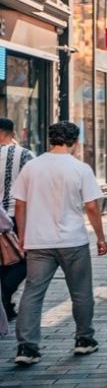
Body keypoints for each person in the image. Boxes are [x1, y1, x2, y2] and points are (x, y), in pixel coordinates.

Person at [12, 121, 107, 365]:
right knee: (81, 292)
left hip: (38, 240)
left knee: (33, 292)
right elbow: (91, 206)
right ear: (75, 142)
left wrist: (22, 235)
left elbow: (20, 204)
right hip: (72, 240)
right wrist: (100, 237)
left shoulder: (32, 167)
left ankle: (27, 347)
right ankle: (84, 340)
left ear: (49, 140)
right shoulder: (80, 168)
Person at [0, 117, 34, 322]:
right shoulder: (24, 155)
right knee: (23, 259)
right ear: (12, 133)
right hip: (14, 216)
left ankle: (5, 303)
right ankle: (5, 297)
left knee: (4, 261)